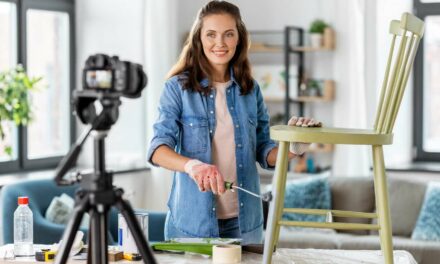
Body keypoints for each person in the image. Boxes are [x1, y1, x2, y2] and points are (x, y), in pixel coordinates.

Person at [147, 0, 318, 244]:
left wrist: (294, 146)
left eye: (228, 34)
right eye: (211, 35)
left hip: (245, 225)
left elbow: (263, 151)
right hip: (191, 225)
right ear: (199, 39)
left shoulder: (250, 89)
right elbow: (157, 150)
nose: (220, 43)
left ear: (239, 39)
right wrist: (192, 166)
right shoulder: (177, 88)